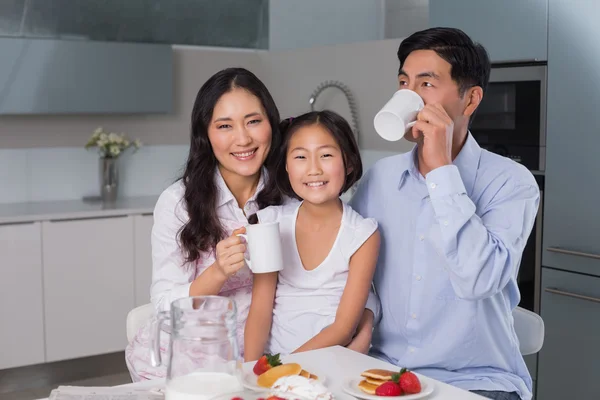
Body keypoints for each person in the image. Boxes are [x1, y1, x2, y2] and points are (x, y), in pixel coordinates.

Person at [125, 68, 375, 381]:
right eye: (225, 126)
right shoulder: (178, 203)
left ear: (271, 123)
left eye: (253, 121)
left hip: (273, 349)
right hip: (199, 349)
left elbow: (345, 276)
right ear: (206, 134)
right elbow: (163, 305)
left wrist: (364, 327)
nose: (243, 139)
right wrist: (218, 272)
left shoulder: (294, 193)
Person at [350, 28, 540, 400]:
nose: (409, 94)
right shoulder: (380, 180)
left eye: (426, 83)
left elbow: (478, 280)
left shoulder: (511, 183)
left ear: (470, 101)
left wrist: (441, 172)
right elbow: (350, 272)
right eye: (404, 81)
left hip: (479, 381)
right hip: (385, 372)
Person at [244, 110, 380, 361]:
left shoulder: (362, 234)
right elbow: (260, 310)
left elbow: (343, 328)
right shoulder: (270, 222)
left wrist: (283, 367)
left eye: (326, 155)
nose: (314, 169)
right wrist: (252, 370)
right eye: (300, 157)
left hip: (329, 362)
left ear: (348, 162)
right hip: (271, 362)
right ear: (286, 165)